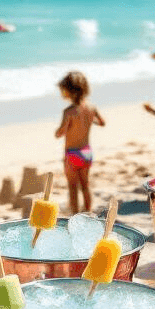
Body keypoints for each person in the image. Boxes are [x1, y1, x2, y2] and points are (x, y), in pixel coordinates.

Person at [55, 70, 105, 213]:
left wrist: (57, 132)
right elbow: (102, 122)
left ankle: (75, 215)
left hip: (72, 154)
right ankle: (88, 211)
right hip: (87, 152)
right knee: (85, 185)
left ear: (68, 91)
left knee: (72, 187)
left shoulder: (69, 111)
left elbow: (61, 132)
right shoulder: (91, 108)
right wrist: (90, 120)